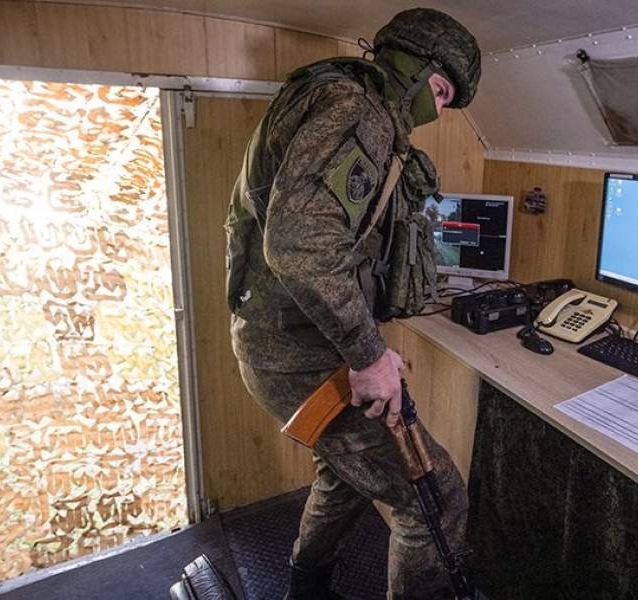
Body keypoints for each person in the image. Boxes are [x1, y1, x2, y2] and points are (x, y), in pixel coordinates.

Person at [223, 8, 481, 599]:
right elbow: (299, 246)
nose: (439, 111)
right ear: (413, 69)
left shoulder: (343, 98)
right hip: (297, 351)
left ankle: (305, 588)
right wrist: (370, 357)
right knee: (434, 500)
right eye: (439, 91)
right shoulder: (358, 112)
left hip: (287, 337)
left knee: (345, 475)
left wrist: (368, 347)